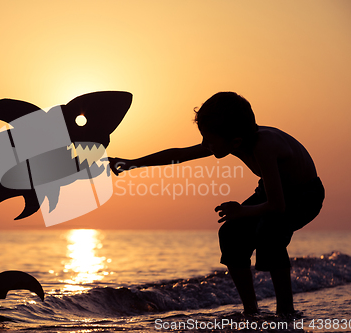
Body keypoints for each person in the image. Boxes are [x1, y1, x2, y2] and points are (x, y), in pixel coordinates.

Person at [109, 91, 324, 316]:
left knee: (270, 232)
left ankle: (286, 311)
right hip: (273, 192)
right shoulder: (233, 139)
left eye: (209, 140)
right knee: (230, 234)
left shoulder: (264, 146)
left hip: (305, 195)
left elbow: (277, 206)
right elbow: (180, 155)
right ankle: (251, 311)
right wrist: (131, 164)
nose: (204, 144)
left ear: (235, 141)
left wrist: (241, 211)